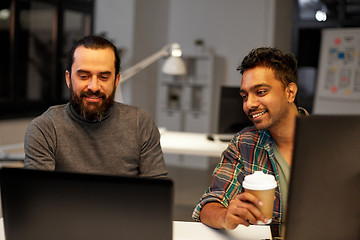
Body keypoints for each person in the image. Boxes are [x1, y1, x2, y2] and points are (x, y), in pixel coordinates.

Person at [192, 47, 308, 229]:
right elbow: (209, 204)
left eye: (260, 92)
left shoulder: (330, 141)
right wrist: (225, 216)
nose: (249, 104)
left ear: (290, 93)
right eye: (244, 96)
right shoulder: (244, 143)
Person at [24, 35, 167, 178]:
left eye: (104, 77)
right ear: (69, 79)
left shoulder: (140, 123)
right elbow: (38, 195)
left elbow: (158, 190)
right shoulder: (45, 129)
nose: (94, 87)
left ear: (116, 80)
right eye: (84, 76)